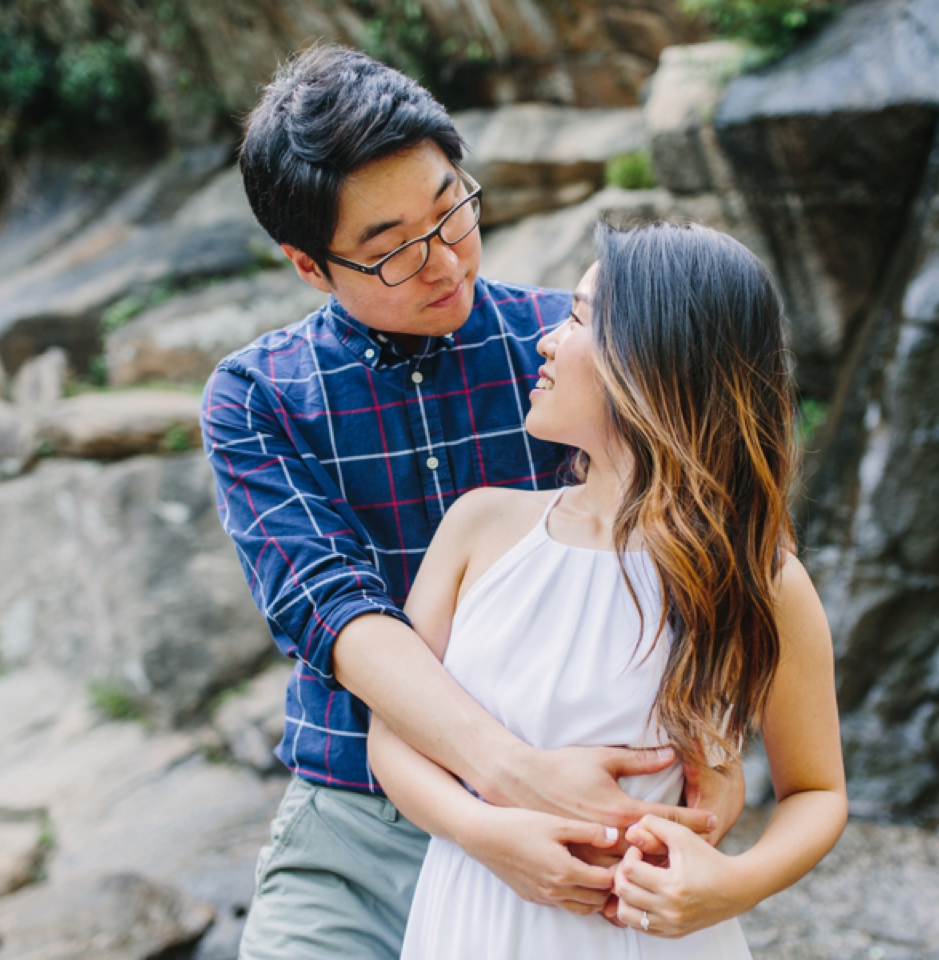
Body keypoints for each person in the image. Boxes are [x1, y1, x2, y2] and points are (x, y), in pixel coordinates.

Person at [201, 46, 744, 960]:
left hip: (581, 812)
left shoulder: (567, 346)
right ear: (309, 264)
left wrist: (716, 746)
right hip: (360, 823)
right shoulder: (258, 397)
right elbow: (334, 611)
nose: (445, 260)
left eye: (452, 208)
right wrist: (509, 784)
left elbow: (699, 527)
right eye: (392, 251)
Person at [368, 221, 848, 958]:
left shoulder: (756, 576)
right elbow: (393, 737)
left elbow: (817, 792)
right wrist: (482, 832)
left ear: (653, 362)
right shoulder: (478, 529)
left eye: (580, 319)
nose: (547, 340)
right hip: (475, 915)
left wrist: (735, 883)